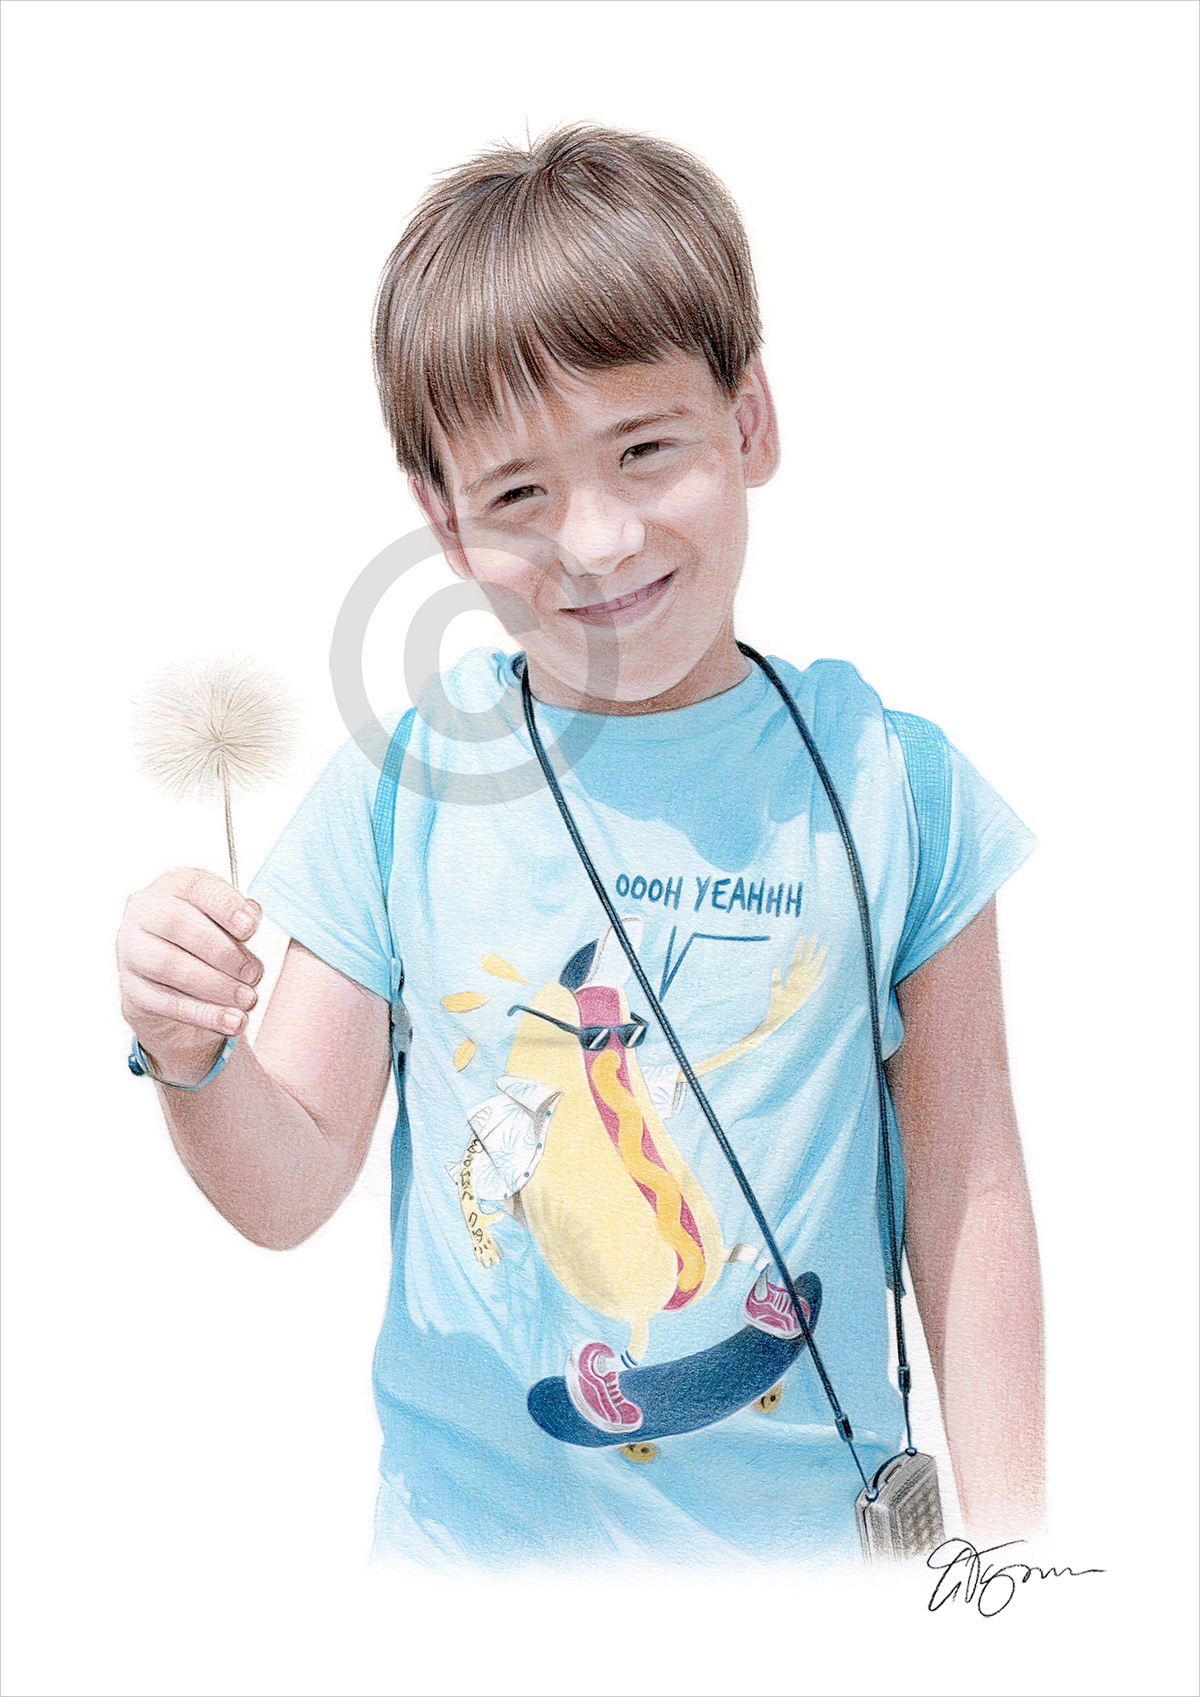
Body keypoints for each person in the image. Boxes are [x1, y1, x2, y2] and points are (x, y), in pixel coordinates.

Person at [115, 123, 1044, 1567]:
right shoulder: (404, 786)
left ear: (751, 424)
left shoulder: (890, 782)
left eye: (644, 448)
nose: (597, 538)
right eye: (518, 495)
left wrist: (1029, 1547)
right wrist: (191, 1057)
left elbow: (970, 1185)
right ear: (441, 521)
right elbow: (287, 1181)